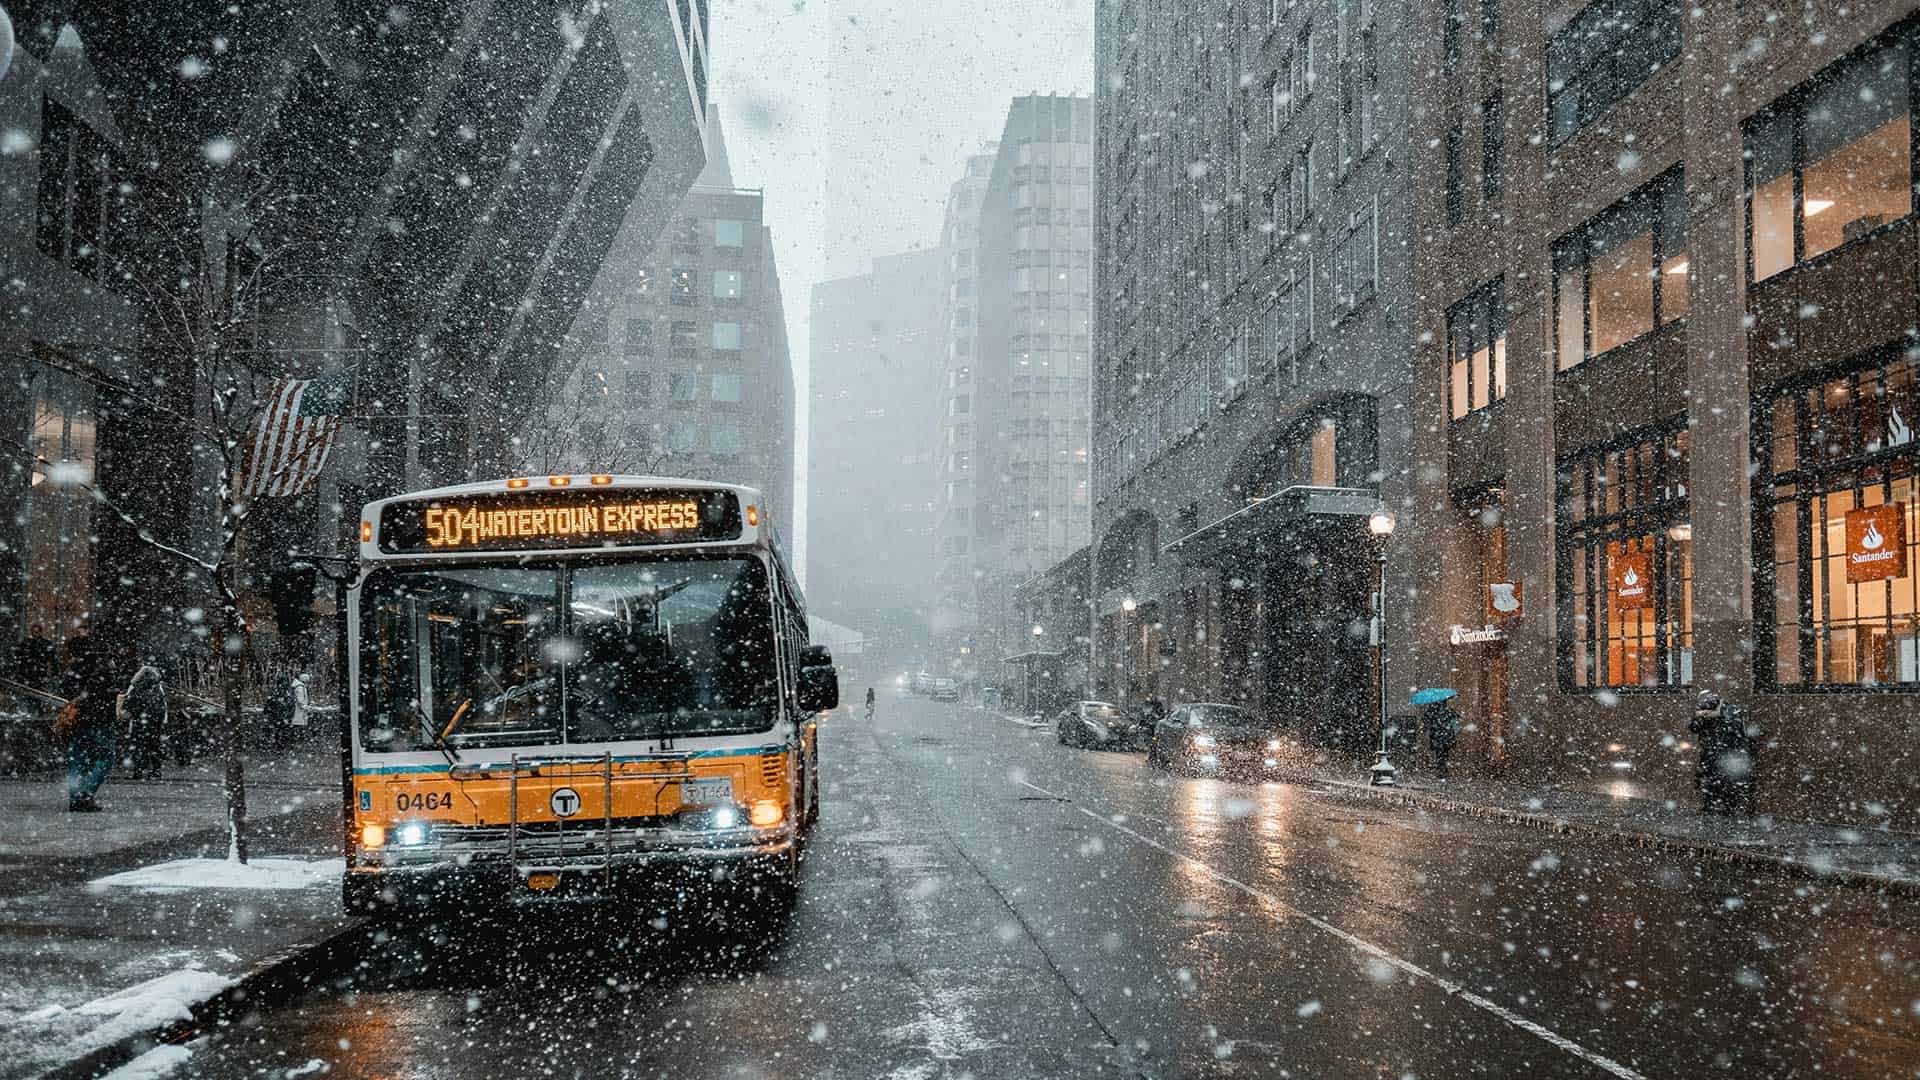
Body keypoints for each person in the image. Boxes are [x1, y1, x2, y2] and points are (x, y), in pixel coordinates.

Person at [58, 635, 124, 811]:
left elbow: (65, 689)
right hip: (101, 720)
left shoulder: (75, 667)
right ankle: (86, 794)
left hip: (79, 719)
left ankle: (74, 799)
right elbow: (112, 693)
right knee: (106, 758)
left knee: (77, 762)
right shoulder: (106, 667)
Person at [1690, 690, 1756, 813]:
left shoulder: (1730, 709)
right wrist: (1702, 717)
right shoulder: (1704, 712)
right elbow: (1694, 727)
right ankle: (1709, 805)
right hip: (1711, 751)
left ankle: (1729, 806)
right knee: (1709, 778)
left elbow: (1734, 730)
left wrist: (1717, 718)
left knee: (1727, 779)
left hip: (1728, 752)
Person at [122, 658, 168, 779]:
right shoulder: (158, 689)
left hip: (140, 721)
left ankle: (138, 771)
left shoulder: (136, 688)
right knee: (154, 745)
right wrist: (162, 720)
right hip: (155, 722)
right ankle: (156, 770)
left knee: (138, 746)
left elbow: (128, 705)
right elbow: (163, 706)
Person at [12, 623, 57, 690]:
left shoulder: (45, 643)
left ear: (40, 632)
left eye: (36, 632)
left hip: (39, 671)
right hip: (27, 671)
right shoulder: (26, 643)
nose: (34, 634)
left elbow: (52, 659)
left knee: (37, 690)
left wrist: (54, 672)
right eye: (33, 632)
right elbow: (18, 655)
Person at [1425, 699, 1461, 780]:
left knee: (1439, 754)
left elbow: (1429, 725)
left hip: (1437, 737)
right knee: (1444, 753)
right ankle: (1443, 769)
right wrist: (1452, 732)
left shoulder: (1433, 712)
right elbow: (1456, 726)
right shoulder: (1449, 712)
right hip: (1446, 737)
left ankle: (1441, 769)